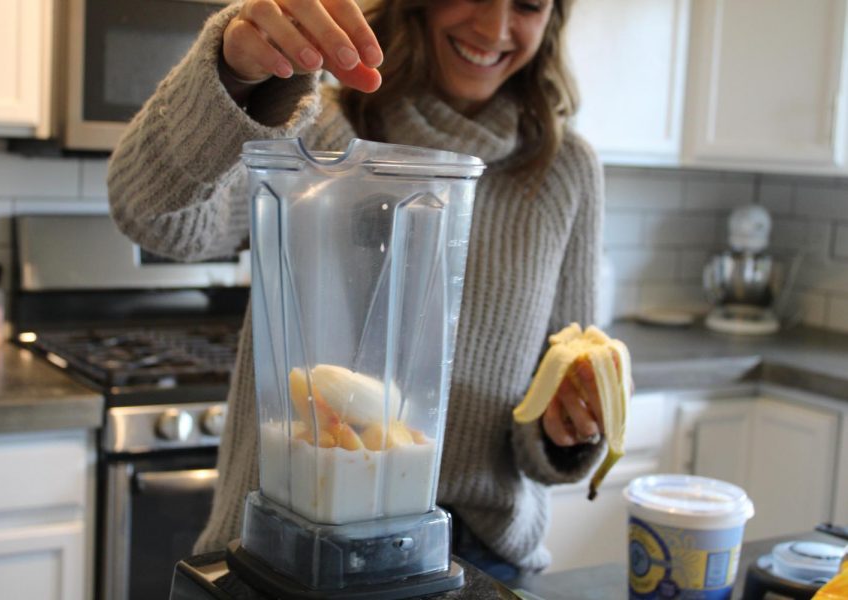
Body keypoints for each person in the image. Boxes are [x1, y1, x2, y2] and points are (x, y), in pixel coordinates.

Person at [108, 0, 606, 580]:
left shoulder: (565, 168)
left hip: (476, 558)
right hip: (289, 541)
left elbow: (558, 383)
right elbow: (155, 218)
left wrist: (567, 430)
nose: (495, 28)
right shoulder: (311, 117)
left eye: (528, 4)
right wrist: (232, 72)